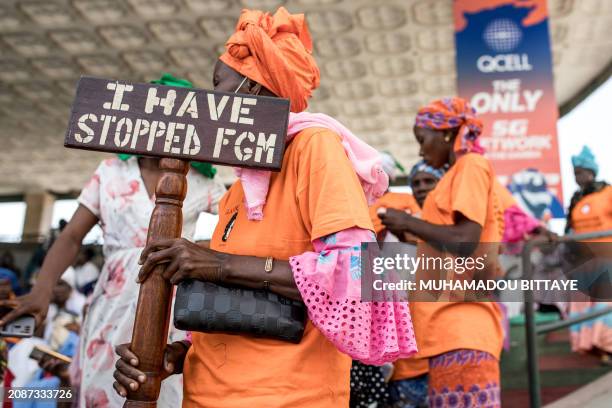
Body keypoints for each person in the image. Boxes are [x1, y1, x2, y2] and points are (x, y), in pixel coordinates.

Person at [113, 7, 417, 408]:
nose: (210, 102)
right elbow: (238, 306)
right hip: (207, 394)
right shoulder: (239, 188)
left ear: (252, 92)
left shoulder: (314, 148)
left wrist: (215, 263)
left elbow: (351, 274)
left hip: (288, 397)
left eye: (219, 87)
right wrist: (173, 357)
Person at [0, 74, 227, 408]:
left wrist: (196, 250)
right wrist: (42, 290)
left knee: (168, 389)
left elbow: (236, 231)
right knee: (103, 386)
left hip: (173, 307)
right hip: (113, 303)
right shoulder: (110, 172)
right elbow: (72, 235)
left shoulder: (201, 181)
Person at [378, 97, 504, 407]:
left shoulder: (470, 165)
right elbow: (448, 245)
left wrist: (408, 221)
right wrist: (407, 233)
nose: (421, 151)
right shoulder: (455, 175)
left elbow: (464, 241)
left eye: (422, 140)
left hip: (462, 328)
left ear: (446, 134)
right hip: (448, 332)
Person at [379, 160, 444, 408]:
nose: (421, 187)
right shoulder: (394, 221)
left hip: (441, 353)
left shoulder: (454, 228)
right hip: (404, 363)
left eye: (429, 181)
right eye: (416, 182)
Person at [565, 146, 612, 364]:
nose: (578, 177)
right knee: (583, 306)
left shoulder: (607, 192)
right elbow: (570, 230)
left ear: (591, 172)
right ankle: (595, 349)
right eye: (575, 173)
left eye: (581, 172)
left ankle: (608, 346)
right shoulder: (575, 199)